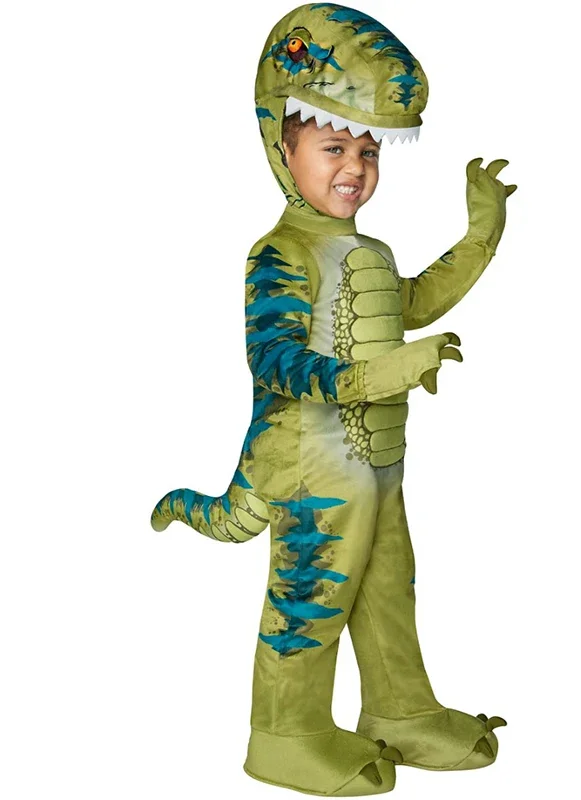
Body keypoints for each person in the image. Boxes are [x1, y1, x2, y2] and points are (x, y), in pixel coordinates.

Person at [151, 4, 516, 795]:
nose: (356, 166)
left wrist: (482, 232)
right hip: (306, 468)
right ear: (282, 146)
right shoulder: (278, 253)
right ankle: (283, 736)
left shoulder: (368, 249)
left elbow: (413, 302)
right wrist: (376, 377)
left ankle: (401, 712)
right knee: (309, 602)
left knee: (388, 591)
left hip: (377, 466)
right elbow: (274, 359)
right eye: (333, 147)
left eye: (367, 150)